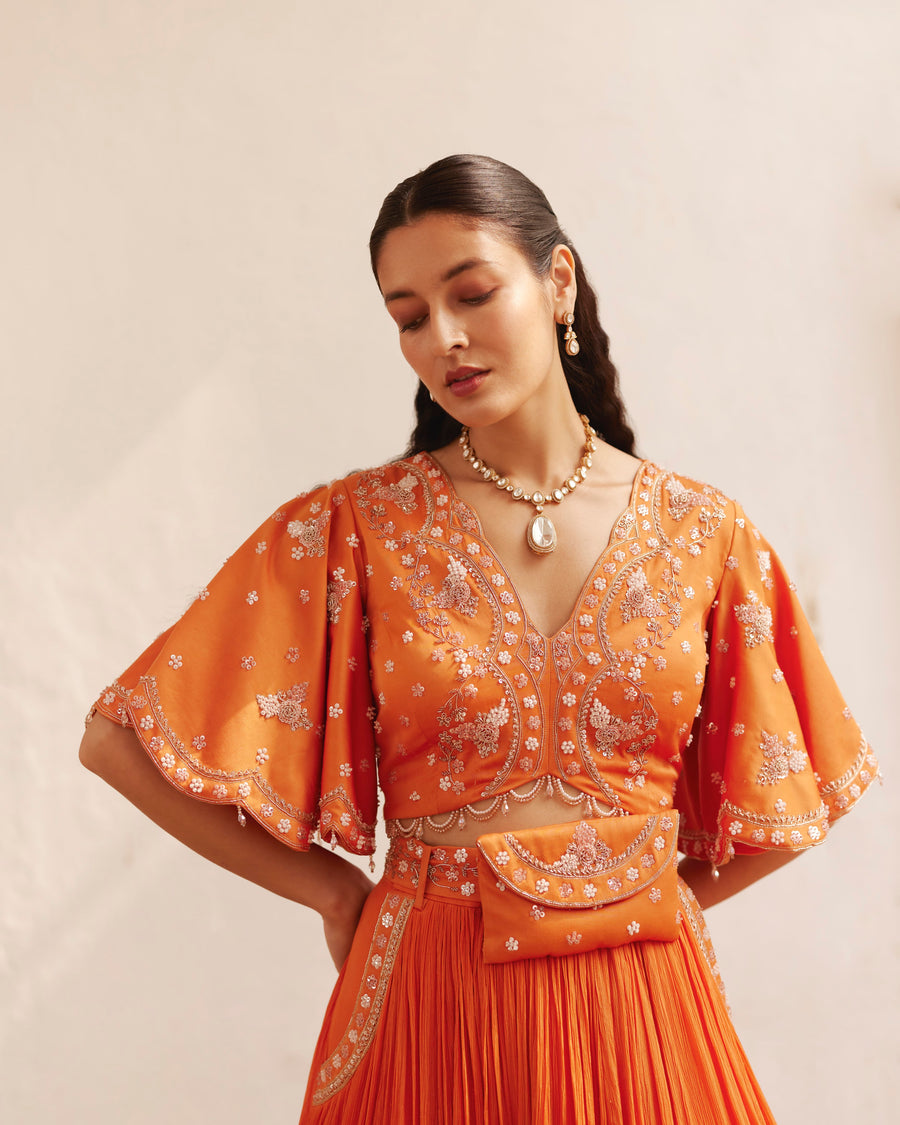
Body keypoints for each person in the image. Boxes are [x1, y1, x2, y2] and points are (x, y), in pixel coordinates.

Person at [79, 154, 879, 1124]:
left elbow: (811, 784)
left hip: (645, 1007)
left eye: (471, 293)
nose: (443, 338)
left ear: (558, 282)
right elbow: (120, 740)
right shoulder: (350, 531)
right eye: (409, 317)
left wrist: (630, 902)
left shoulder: (705, 532)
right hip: (429, 994)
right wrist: (337, 896)